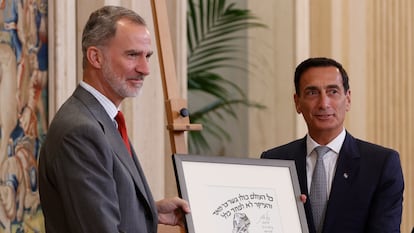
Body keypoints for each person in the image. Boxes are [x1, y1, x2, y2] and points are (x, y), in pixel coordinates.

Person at [38, 5, 190, 233]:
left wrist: (151, 211)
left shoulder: (101, 118)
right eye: (132, 55)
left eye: (147, 56)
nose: (145, 69)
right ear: (95, 57)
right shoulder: (80, 131)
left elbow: (98, 208)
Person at [261, 57, 404, 233]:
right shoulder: (274, 161)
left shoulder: (381, 164)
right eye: (312, 93)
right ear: (297, 102)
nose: (323, 103)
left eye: (333, 92)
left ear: (348, 98)